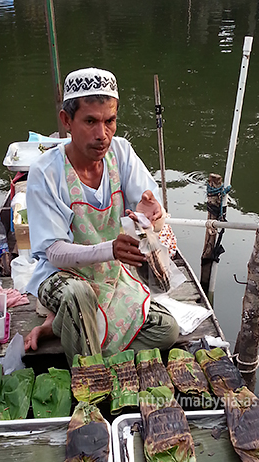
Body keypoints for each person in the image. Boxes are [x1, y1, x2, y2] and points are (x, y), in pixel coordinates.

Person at [23, 67, 179, 362]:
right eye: (91, 122)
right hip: (62, 278)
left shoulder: (121, 153)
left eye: (110, 121)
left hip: (109, 275)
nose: (102, 135)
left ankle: (70, 334)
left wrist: (152, 214)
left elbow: (152, 213)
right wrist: (111, 248)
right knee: (78, 296)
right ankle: (90, 373)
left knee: (166, 330)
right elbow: (54, 252)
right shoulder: (46, 172)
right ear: (66, 120)